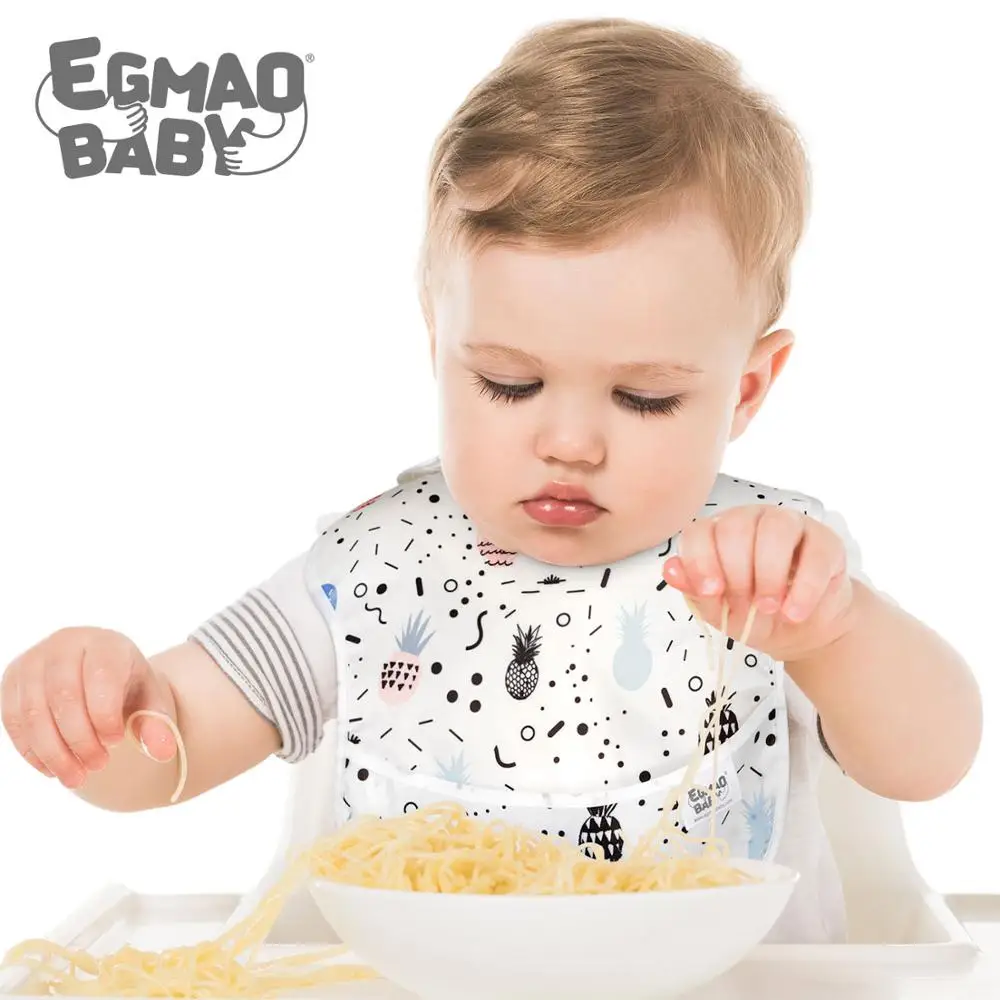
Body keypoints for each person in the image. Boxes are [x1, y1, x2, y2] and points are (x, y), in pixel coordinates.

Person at [0, 17, 981, 944]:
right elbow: (170, 752)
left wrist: (833, 634)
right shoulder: (373, 564)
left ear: (747, 388)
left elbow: (932, 757)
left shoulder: (771, 569)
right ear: (441, 345)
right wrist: (99, 708)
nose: (570, 442)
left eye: (642, 398)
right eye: (509, 383)